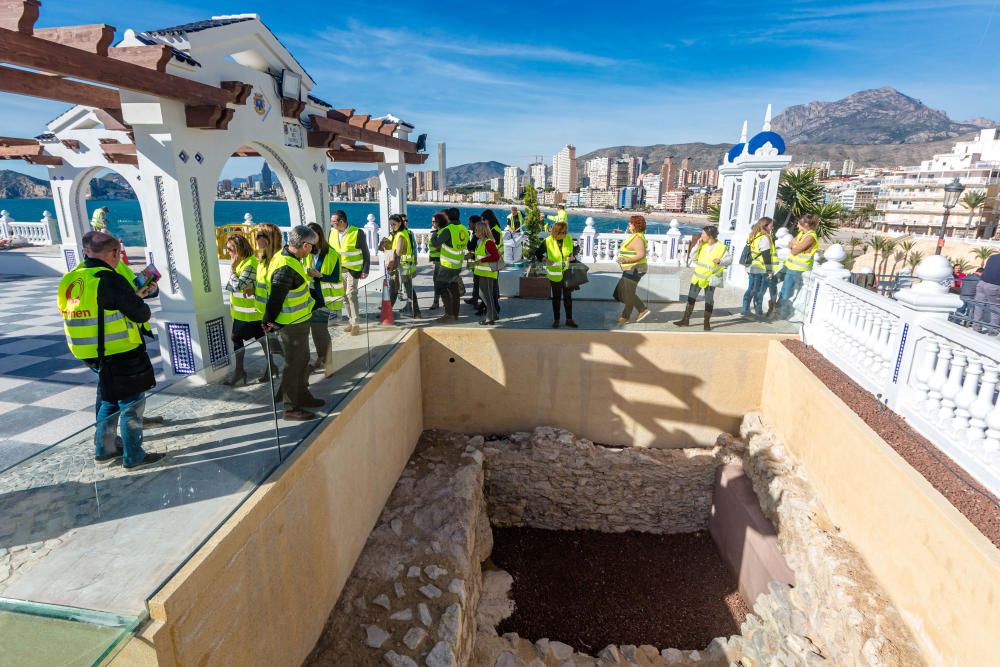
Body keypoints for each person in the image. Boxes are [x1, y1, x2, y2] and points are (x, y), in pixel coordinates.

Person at [58, 231, 162, 469]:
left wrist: (132, 296)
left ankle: (104, 449)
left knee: (109, 400)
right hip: (119, 350)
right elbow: (140, 314)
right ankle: (134, 457)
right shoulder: (110, 278)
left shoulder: (72, 278)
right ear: (115, 253)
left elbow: (100, 309)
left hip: (90, 353)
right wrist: (137, 299)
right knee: (132, 405)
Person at [262, 225, 324, 421]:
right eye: (312, 247)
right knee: (293, 365)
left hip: (298, 321)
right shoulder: (286, 266)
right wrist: (268, 320)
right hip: (292, 324)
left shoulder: (288, 258)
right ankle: (290, 408)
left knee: (302, 361)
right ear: (305, 245)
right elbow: (276, 297)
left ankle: (302, 396)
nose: (313, 250)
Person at [223, 232, 270, 385]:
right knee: (257, 339)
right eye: (227, 249)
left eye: (231, 249)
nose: (229, 253)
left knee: (255, 339)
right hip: (242, 313)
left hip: (251, 313)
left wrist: (232, 269)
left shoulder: (250, 264)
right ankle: (266, 369)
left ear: (240, 249)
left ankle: (242, 372)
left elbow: (237, 286)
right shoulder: (243, 263)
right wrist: (234, 277)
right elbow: (230, 287)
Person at [674, 225, 730, 331]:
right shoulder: (702, 245)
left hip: (711, 279)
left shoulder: (721, 247)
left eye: (703, 234)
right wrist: (697, 246)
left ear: (710, 236)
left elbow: (729, 259)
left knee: (709, 300)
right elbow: (692, 256)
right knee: (691, 298)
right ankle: (685, 320)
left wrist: (721, 261)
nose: (701, 235)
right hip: (698, 277)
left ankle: (706, 322)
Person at [305, 222, 342, 376]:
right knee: (315, 330)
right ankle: (321, 357)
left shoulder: (332, 254)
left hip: (324, 298)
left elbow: (335, 277)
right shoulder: (307, 252)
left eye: (312, 236)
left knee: (321, 331)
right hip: (311, 297)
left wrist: (319, 275)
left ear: (319, 236)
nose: (310, 240)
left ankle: (329, 363)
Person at [329, 210, 370, 336]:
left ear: (341, 221)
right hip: (339, 271)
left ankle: (356, 323)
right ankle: (351, 321)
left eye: (333, 222)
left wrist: (365, 269)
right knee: (345, 298)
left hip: (353, 270)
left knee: (351, 295)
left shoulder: (357, 232)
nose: (332, 224)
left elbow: (365, 252)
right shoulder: (332, 233)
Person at [533, 220, 579, 328]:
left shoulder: (568, 238)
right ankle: (556, 320)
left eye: (566, 231)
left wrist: (573, 258)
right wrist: (545, 259)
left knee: (568, 297)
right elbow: (538, 253)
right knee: (556, 298)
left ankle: (569, 319)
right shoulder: (547, 241)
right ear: (556, 232)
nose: (566, 234)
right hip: (554, 274)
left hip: (567, 273)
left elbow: (572, 254)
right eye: (563, 232)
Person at [776, 215, 820, 319]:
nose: (797, 225)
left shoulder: (810, 237)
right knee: (775, 282)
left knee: (786, 291)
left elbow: (794, 250)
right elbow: (789, 244)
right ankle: (777, 308)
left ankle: (780, 312)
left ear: (805, 225)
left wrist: (795, 246)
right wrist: (795, 245)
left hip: (798, 269)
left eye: (799, 224)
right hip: (789, 265)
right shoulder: (802, 234)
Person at [431, 209, 469, 322]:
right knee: (453, 288)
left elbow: (436, 243)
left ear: (448, 217)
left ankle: (449, 313)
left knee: (440, 286)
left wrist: (435, 232)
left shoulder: (448, 230)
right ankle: (455, 313)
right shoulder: (463, 229)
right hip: (458, 264)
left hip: (448, 265)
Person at [616, 215, 651, 324]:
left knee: (628, 293)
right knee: (624, 292)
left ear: (635, 225)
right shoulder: (635, 236)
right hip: (632, 269)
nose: (629, 225)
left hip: (636, 269)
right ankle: (629, 315)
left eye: (630, 223)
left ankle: (639, 311)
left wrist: (625, 260)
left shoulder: (638, 239)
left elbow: (641, 254)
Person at [740, 217, 774, 320]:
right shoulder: (764, 238)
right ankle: (758, 311)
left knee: (751, 288)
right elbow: (766, 256)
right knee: (759, 291)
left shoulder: (753, 235)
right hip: (760, 268)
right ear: (766, 226)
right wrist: (769, 271)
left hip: (751, 267)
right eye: (771, 225)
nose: (772, 227)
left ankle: (745, 309)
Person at [388, 214, 421, 317]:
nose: (392, 226)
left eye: (394, 224)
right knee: (399, 289)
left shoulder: (401, 235)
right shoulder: (401, 233)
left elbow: (398, 253)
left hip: (402, 266)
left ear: (400, 223)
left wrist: (392, 266)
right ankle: (416, 312)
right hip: (404, 266)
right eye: (391, 224)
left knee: (397, 289)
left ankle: (387, 312)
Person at [468, 220, 501, 324]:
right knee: (485, 295)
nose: (474, 232)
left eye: (476, 230)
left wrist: (480, 261)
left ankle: (490, 317)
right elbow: (481, 255)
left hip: (487, 274)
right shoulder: (481, 242)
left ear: (481, 231)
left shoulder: (488, 242)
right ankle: (493, 315)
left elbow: (495, 256)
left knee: (487, 296)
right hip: (482, 273)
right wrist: (472, 256)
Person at [974, 254, 1000, 327]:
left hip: (982, 283)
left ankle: (976, 327)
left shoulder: (992, 256)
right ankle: (993, 330)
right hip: (994, 285)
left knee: (979, 306)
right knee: (996, 308)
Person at [428, 212, 444, 310]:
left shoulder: (441, 232)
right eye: (432, 221)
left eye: (435, 221)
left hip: (441, 261)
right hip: (436, 261)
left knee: (439, 282)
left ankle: (437, 302)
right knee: (437, 282)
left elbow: (438, 247)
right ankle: (437, 301)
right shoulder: (435, 232)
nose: (433, 223)